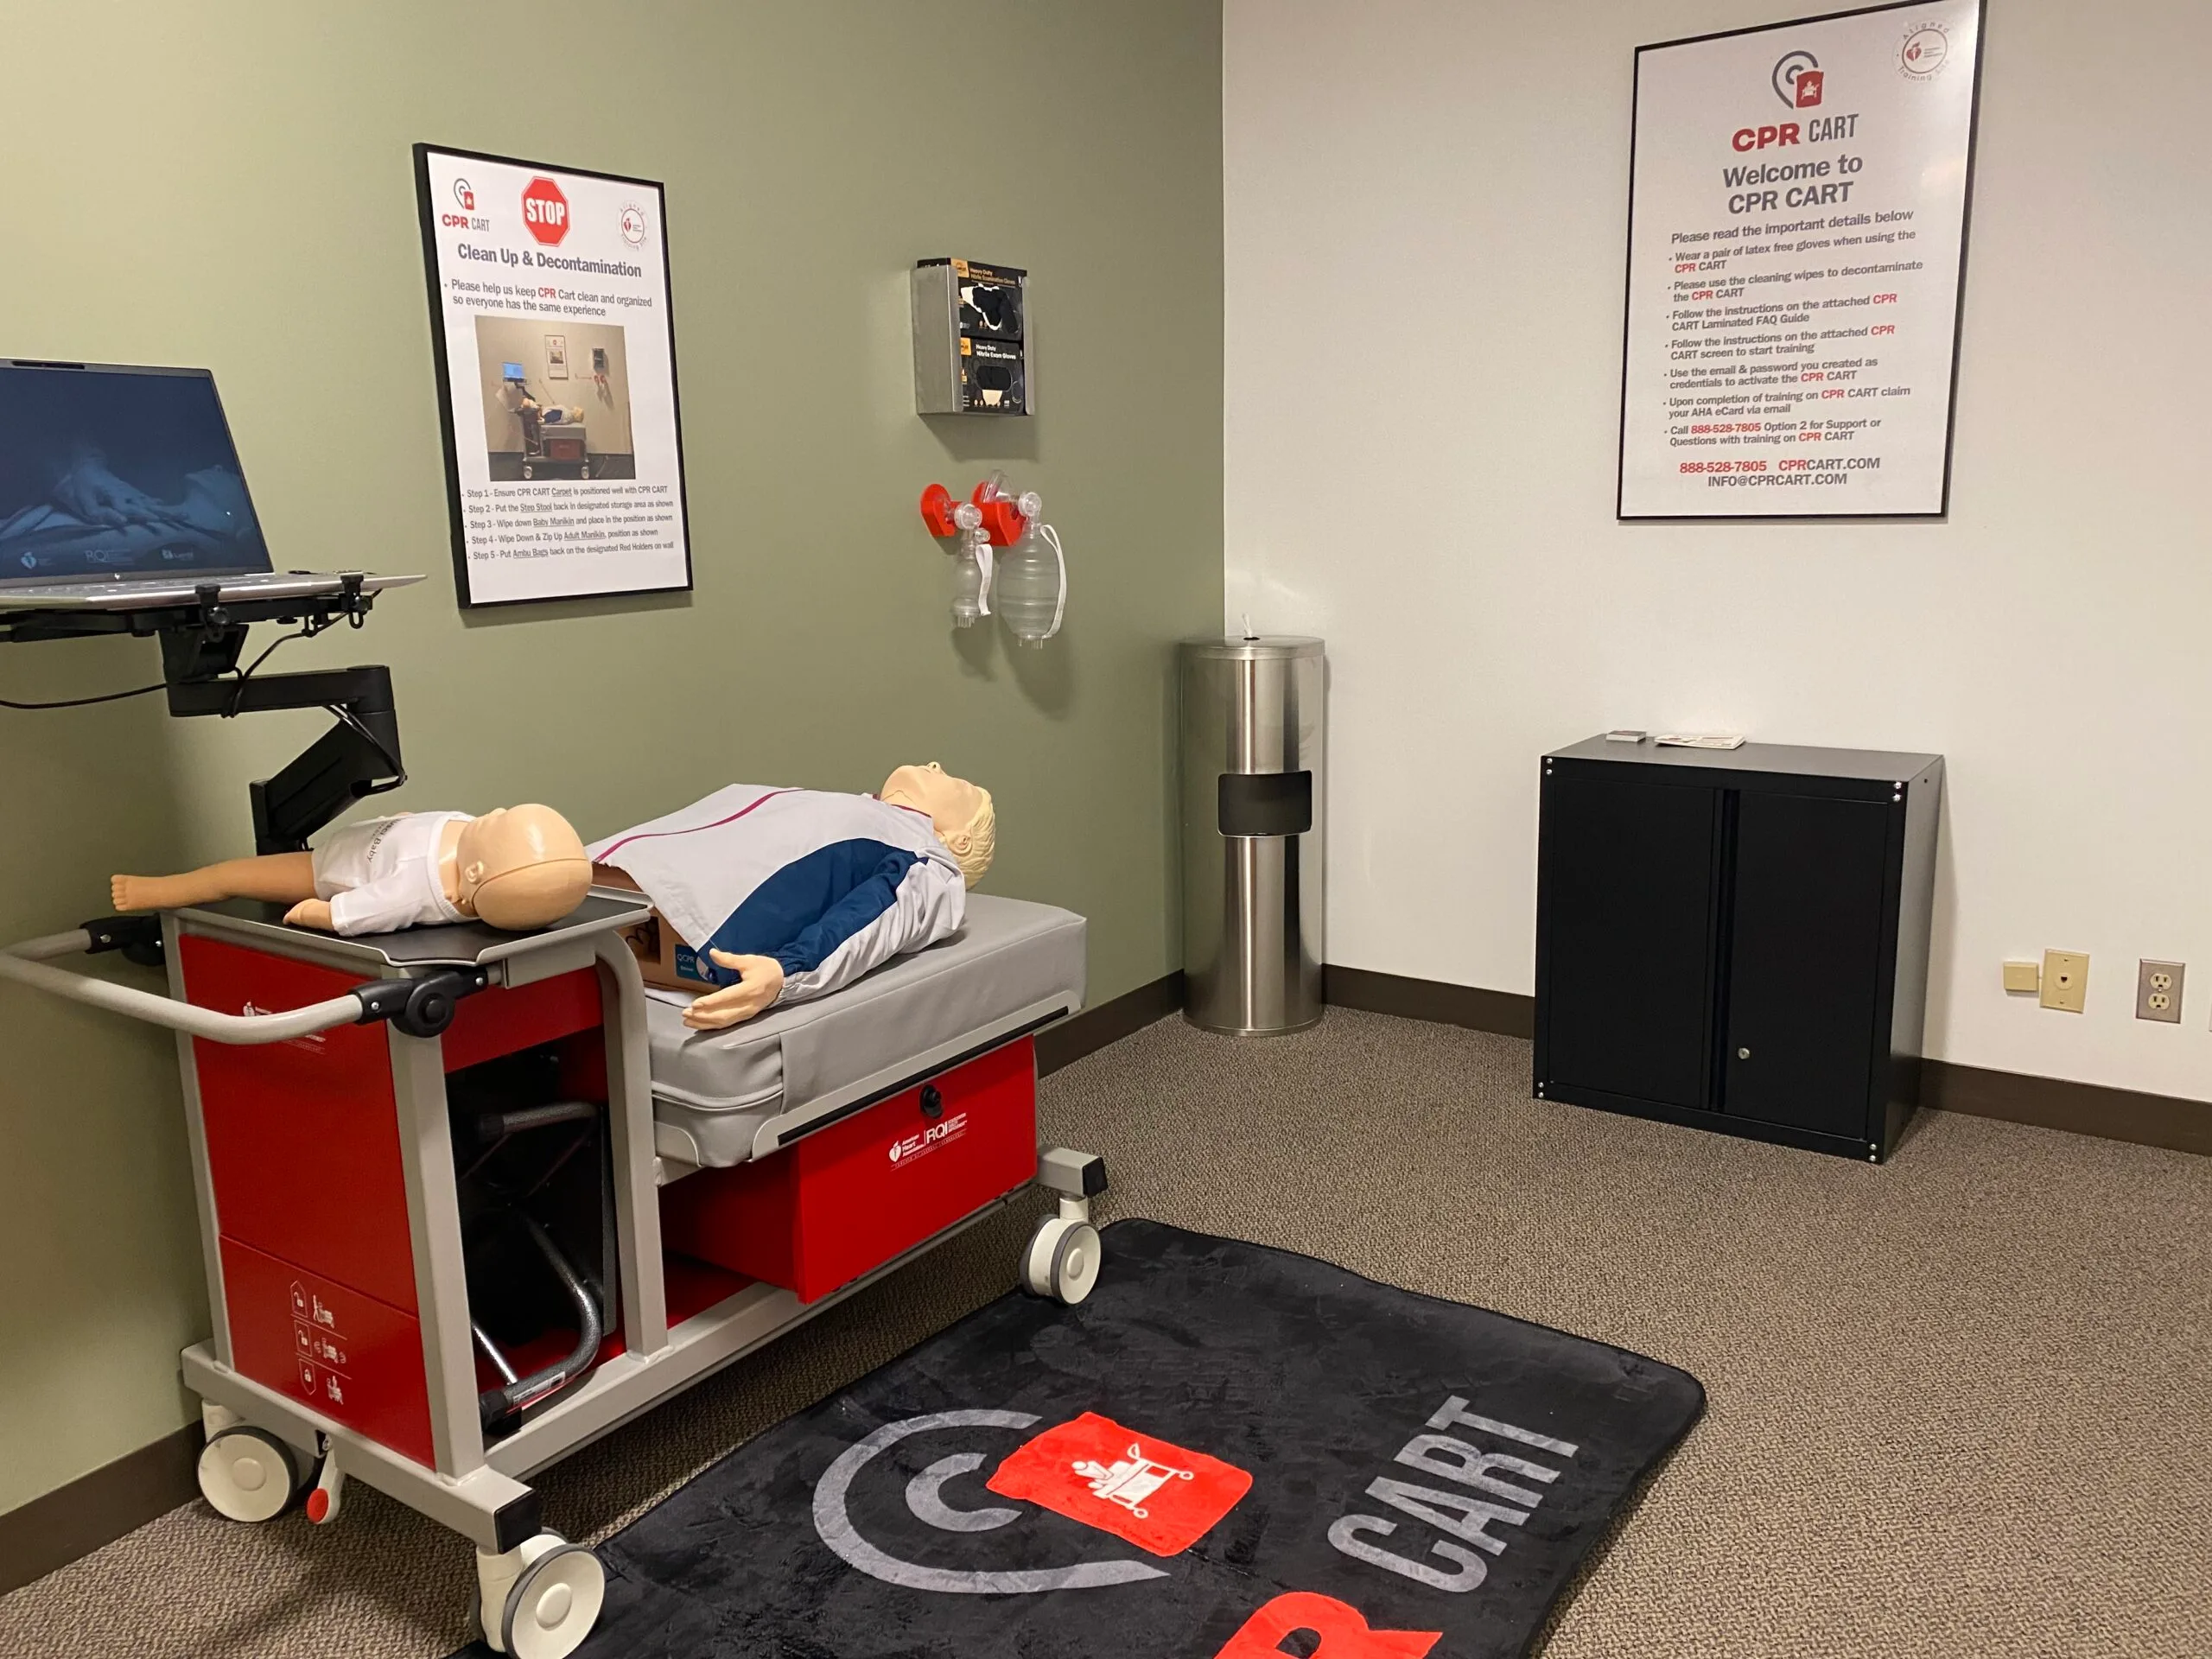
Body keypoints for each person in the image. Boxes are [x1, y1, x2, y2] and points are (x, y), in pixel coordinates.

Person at [590, 763, 994, 1031]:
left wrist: (785, 972)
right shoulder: (856, 811)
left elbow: (873, 915)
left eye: (959, 785)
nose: (937, 766)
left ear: (957, 839)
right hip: (614, 873)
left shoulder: (927, 858)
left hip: (694, 918)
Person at [110, 804, 592, 937]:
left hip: (324, 870)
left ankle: (156, 891)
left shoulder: (414, 891)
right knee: (231, 874)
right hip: (363, 840)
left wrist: (314, 912)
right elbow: (434, 825)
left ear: (478, 873)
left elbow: (358, 913)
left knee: (229, 877)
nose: (497, 809)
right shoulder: (469, 836)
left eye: (500, 822)